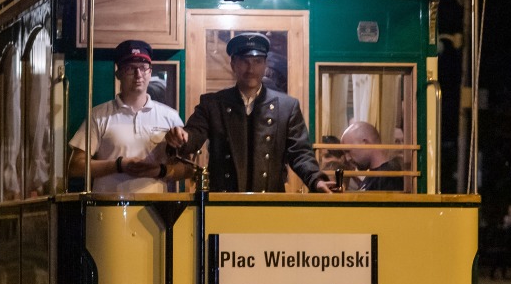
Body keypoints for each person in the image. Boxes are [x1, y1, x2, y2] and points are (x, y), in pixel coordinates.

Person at [165, 33, 333, 193]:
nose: (251, 69)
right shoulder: (213, 104)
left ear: (265, 65)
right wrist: (181, 137)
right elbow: (193, 134)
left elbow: (300, 153)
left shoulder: (287, 107)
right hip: (222, 204)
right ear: (233, 65)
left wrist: (316, 180)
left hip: (270, 204)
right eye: (244, 61)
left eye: (257, 61)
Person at [69, 39, 188, 193]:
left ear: (150, 72)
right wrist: (119, 165)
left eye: (143, 68)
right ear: (118, 73)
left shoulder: (170, 116)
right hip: (109, 211)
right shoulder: (98, 115)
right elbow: (76, 166)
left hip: (157, 211)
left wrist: (159, 171)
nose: (138, 75)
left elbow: (187, 168)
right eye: (130, 68)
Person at [339, 120, 404, 191]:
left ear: (365, 143)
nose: (348, 158)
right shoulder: (374, 175)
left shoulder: (389, 176)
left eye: (348, 151)